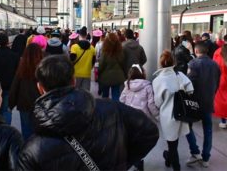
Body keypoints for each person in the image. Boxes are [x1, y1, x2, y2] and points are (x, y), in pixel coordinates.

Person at [17, 55, 159, 170]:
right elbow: (150, 132)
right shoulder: (113, 109)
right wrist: (122, 163)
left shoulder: (31, 150)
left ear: (40, 88)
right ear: (73, 81)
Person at [153, 50, 193, 171]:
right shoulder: (179, 75)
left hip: (168, 115)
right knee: (174, 143)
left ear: (160, 63)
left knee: (172, 143)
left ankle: (176, 166)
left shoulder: (158, 80)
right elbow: (191, 90)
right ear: (173, 62)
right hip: (182, 114)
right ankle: (168, 157)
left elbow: (158, 101)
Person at [185, 42, 221, 168]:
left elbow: (188, 83)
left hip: (194, 102)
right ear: (207, 51)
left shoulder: (193, 64)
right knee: (208, 129)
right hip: (208, 102)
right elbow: (217, 84)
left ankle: (195, 151)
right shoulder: (215, 65)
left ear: (196, 51)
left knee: (187, 126)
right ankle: (206, 158)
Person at [120, 64, 159, 171]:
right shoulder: (147, 86)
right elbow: (151, 104)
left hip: (129, 119)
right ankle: (139, 162)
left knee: (131, 141)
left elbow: (121, 100)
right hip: (143, 120)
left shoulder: (127, 85)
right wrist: (157, 116)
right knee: (141, 142)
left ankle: (135, 162)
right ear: (141, 73)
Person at [9, 43, 43, 140]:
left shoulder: (22, 68)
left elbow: (15, 86)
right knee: (39, 130)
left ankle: (27, 151)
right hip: (40, 105)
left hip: (24, 104)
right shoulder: (43, 68)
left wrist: (11, 104)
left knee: (26, 131)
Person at [98, 33, 125, 101]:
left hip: (105, 77)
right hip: (117, 77)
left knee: (105, 96)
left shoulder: (105, 53)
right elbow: (123, 63)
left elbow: (101, 65)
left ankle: (106, 109)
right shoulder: (120, 52)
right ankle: (116, 109)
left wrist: (98, 73)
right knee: (116, 95)